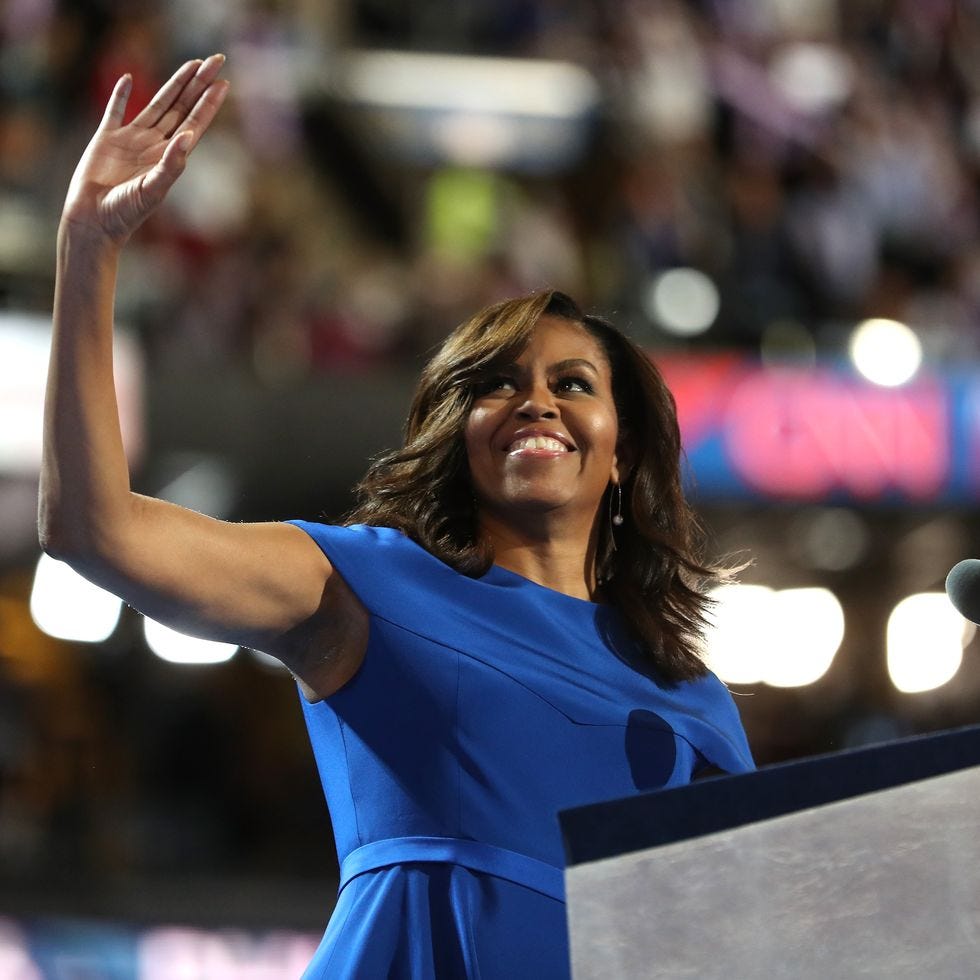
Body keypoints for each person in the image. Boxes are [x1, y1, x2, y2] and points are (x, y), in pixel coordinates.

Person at [40, 55, 754, 978]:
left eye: (571, 385)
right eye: (497, 386)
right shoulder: (365, 585)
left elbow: (743, 940)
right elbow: (96, 531)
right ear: (462, 437)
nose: (535, 403)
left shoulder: (693, 703)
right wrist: (88, 248)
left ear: (622, 453)